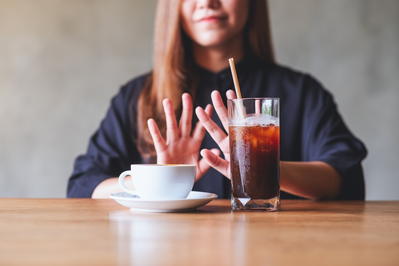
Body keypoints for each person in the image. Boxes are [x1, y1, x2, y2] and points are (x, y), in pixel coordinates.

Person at [67, 0, 367, 200]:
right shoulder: (136, 97)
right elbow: (83, 186)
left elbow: (345, 178)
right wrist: (159, 180)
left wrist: (262, 167)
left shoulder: (301, 92)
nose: (207, 2)